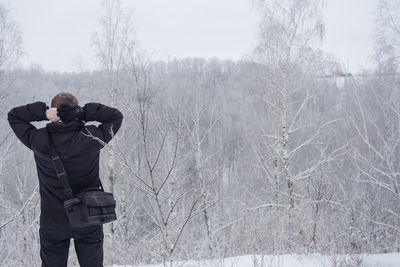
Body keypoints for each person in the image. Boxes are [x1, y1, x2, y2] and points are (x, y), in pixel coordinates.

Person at [7, 92, 123, 267]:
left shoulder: (40, 140)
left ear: (55, 112)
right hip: (88, 216)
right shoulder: (91, 137)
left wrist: (43, 113)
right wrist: (84, 112)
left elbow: (14, 116)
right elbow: (115, 116)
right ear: (75, 111)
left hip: (52, 221)